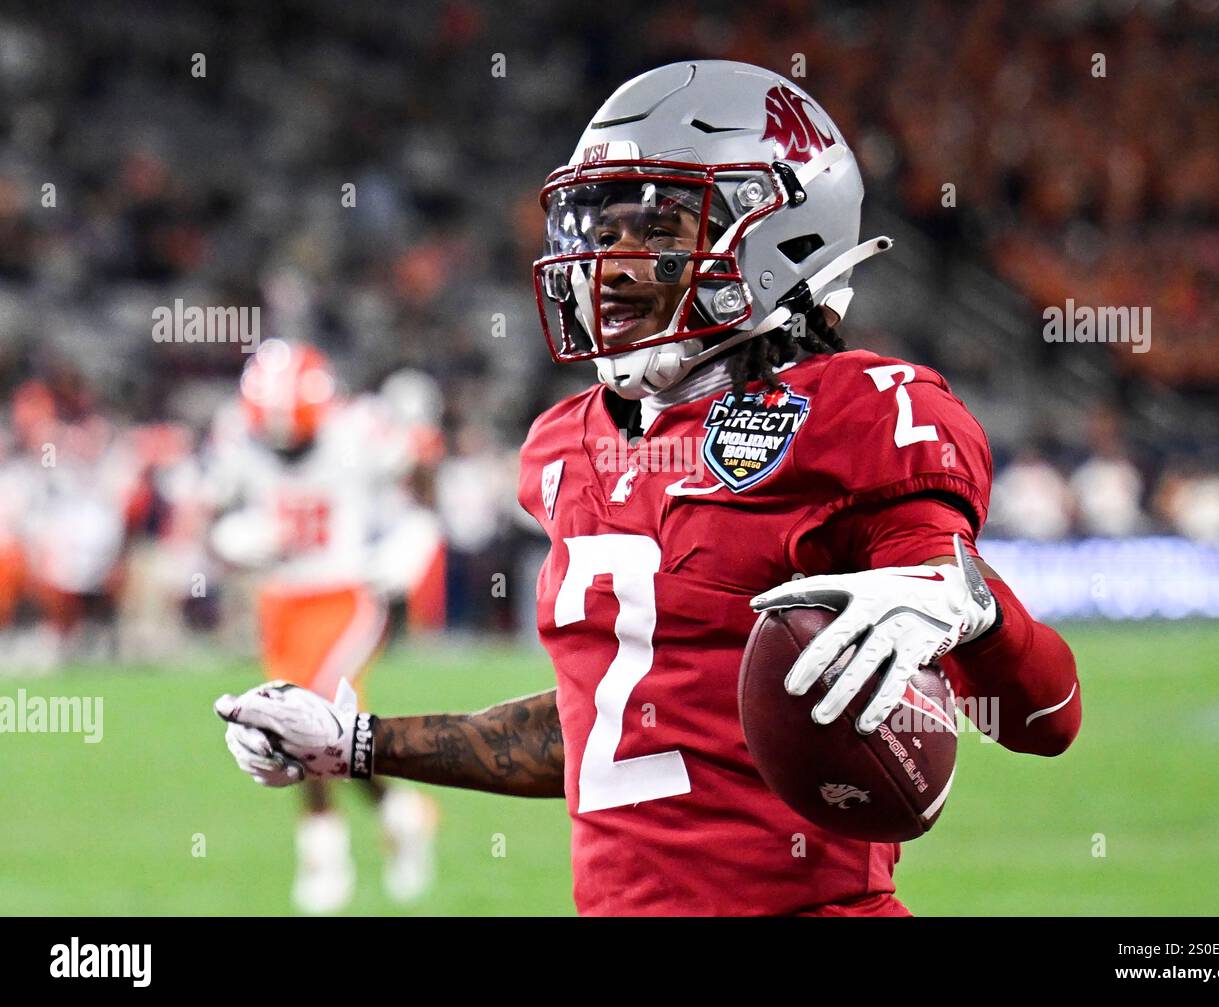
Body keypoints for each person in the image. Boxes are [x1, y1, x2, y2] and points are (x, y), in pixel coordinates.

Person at [216, 62, 1082, 916]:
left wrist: (979, 611)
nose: (611, 265)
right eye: (601, 229)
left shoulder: (855, 413)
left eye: (659, 231)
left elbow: (1045, 718)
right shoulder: (568, 444)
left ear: (782, 235)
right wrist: (360, 743)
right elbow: (602, 728)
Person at [208, 339, 441, 912]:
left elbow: (421, 470)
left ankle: (324, 860)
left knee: (300, 720)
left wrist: (410, 542)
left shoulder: (357, 432)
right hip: (280, 603)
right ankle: (401, 813)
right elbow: (218, 516)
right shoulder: (239, 438)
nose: (285, 449)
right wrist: (237, 538)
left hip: (345, 594)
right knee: (327, 733)